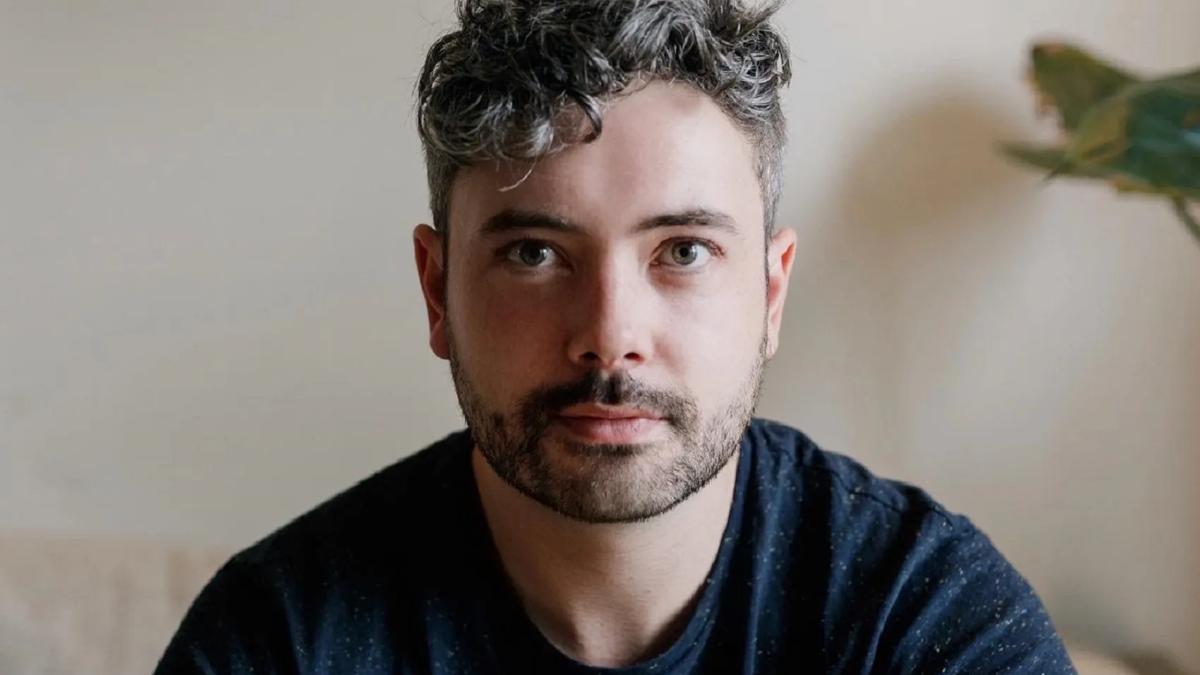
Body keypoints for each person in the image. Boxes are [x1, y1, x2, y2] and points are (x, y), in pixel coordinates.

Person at [154, 0, 1076, 673]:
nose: (609, 336)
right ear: (437, 291)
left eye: (682, 250)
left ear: (771, 291)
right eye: (533, 254)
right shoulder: (279, 639)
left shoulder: (925, 619)